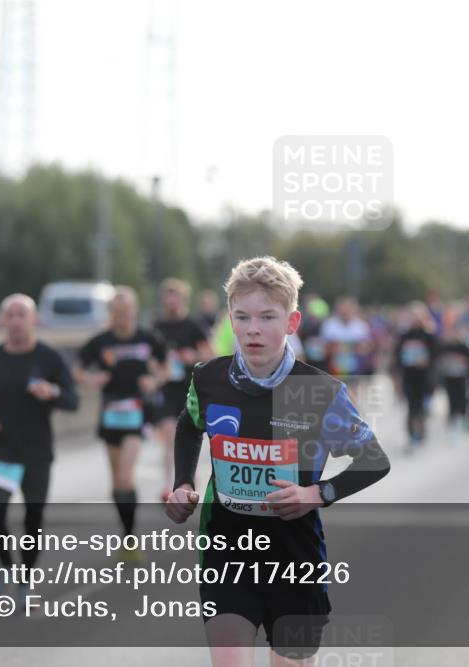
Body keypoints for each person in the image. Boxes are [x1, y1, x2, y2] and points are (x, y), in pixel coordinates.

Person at [166, 256, 390, 666]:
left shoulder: (320, 391)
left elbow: (374, 461)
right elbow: (189, 424)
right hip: (226, 552)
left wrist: (317, 493)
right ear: (230, 321)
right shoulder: (209, 379)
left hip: (295, 561)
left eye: (268, 317)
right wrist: (183, 482)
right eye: (243, 316)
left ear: (292, 322)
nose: (253, 329)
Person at [0, 293, 78, 598]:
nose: (15, 321)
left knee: (33, 520)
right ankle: (6, 567)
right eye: (10, 315)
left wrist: (51, 392)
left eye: (21, 315)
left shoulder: (49, 358)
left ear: (33, 320)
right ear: (3, 321)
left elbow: (73, 400)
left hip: (36, 451)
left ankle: (26, 579)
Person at [76, 287, 166, 561]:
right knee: (117, 482)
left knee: (126, 476)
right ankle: (127, 533)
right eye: (116, 312)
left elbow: (166, 366)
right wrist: (91, 380)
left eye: (126, 312)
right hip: (110, 413)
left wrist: (155, 380)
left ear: (134, 311)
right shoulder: (100, 341)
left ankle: (129, 540)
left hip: (138, 413)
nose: (121, 317)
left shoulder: (148, 337)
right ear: (110, 314)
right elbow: (77, 368)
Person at [154, 278, 213, 500]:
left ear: (182, 300)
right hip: (167, 388)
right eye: (168, 299)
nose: (171, 304)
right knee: (169, 435)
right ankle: (169, 486)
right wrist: (159, 368)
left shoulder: (193, 325)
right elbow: (150, 356)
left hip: (191, 388)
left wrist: (192, 356)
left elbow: (210, 353)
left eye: (175, 299)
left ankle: (188, 478)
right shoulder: (157, 326)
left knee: (187, 435)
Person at [394, 302, 439, 450]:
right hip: (409, 375)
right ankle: (412, 433)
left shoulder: (428, 335)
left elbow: (436, 354)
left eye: (417, 316)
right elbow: (398, 355)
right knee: (411, 405)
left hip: (424, 376)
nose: (414, 319)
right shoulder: (404, 335)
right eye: (412, 316)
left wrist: (426, 361)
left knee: (420, 406)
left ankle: (421, 429)